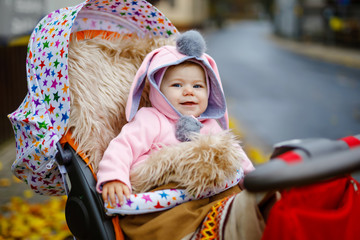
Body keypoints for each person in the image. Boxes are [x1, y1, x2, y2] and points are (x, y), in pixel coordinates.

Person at [96, 30, 257, 239]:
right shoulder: (150, 119)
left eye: (197, 86)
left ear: (210, 92)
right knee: (171, 222)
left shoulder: (209, 125)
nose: (189, 91)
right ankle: (196, 233)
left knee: (235, 197)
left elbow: (234, 153)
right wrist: (114, 177)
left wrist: (251, 178)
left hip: (209, 193)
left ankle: (227, 224)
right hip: (165, 197)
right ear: (158, 90)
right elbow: (122, 147)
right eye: (177, 85)